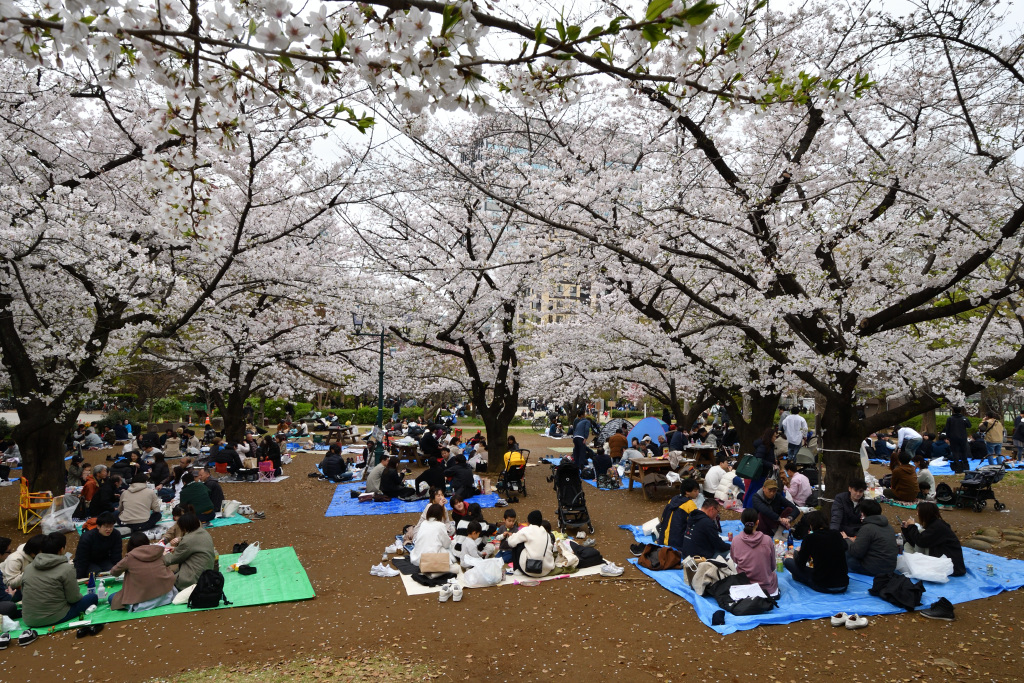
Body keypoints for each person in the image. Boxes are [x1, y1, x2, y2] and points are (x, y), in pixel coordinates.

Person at [21, 533, 100, 635]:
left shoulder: (29, 568)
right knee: (92, 597)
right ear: (61, 549)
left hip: (29, 619)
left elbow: (24, 593)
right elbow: (74, 598)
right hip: (55, 616)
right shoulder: (66, 568)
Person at [108, 533, 178, 611]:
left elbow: (114, 572)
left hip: (142, 601)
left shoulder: (130, 557)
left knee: (112, 598)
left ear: (131, 545)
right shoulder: (158, 552)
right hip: (167, 595)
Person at [783, 511, 849, 593]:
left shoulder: (810, 538)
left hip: (823, 584)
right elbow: (845, 547)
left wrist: (796, 552)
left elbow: (800, 564)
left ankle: (798, 576)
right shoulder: (836, 534)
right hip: (843, 584)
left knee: (788, 561)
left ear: (811, 524)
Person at [900, 502, 966, 577]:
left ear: (925, 513)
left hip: (951, 567)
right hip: (943, 560)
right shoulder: (935, 524)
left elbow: (920, 541)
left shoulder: (938, 526)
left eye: (919, 512)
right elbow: (915, 542)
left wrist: (912, 526)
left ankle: (916, 564)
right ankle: (915, 563)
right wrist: (906, 529)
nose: (917, 514)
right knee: (908, 544)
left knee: (919, 535)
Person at [163, 508, 216, 589]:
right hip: (206, 574)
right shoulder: (203, 532)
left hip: (193, 579)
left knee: (166, 579)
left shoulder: (188, 540)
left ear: (184, 527)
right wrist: (176, 549)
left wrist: (165, 554)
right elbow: (193, 548)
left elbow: (171, 560)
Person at [731, 507, 779, 597]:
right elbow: (772, 566)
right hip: (767, 587)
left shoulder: (735, 540)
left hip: (745, 586)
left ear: (742, 522)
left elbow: (735, 560)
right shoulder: (767, 540)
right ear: (757, 522)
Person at [844, 499, 897, 577]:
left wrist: (846, 539)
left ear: (863, 513)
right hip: (890, 568)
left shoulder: (867, 528)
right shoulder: (888, 526)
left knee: (845, 553)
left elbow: (856, 552)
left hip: (874, 570)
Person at [507, 510, 555, 578]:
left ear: (529, 521)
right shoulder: (547, 534)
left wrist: (511, 536)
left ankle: (517, 569)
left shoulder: (527, 530)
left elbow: (511, 543)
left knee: (518, 544)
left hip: (530, 570)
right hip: (546, 569)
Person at [74, 512, 123, 578]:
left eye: (111, 526)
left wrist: (118, 569)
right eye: (106, 527)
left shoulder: (116, 534)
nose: (109, 529)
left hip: (104, 559)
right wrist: (79, 577)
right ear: (98, 526)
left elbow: (116, 554)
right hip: (89, 561)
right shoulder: (87, 537)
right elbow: (82, 559)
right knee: (95, 573)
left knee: (111, 572)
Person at [409, 504, 455, 573]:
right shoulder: (441, 525)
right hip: (430, 560)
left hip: (416, 558)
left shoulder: (423, 523)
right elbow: (446, 544)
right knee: (447, 550)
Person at [657, 479, 701, 548]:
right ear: (687, 492)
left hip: (662, 539)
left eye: (698, 490)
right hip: (677, 543)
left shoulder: (672, 499)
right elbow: (697, 523)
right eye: (695, 491)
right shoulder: (690, 504)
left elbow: (663, 518)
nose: (697, 493)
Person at [743, 427, 778, 507]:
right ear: (770, 437)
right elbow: (759, 459)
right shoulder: (763, 446)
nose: (776, 439)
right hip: (759, 473)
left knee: (754, 490)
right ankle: (750, 507)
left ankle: (749, 507)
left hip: (762, 473)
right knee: (755, 491)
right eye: (775, 436)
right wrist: (771, 464)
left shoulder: (768, 446)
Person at [943, 407, 971, 473]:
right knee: (964, 451)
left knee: (955, 452)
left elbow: (947, 428)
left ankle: (957, 467)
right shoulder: (964, 418)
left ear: (953, 411)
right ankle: (966, 466)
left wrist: (948, 437)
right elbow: (969, 425)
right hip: (963, 437)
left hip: (953, 438)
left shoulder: (950, 419)